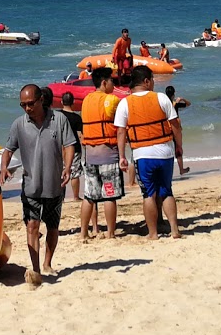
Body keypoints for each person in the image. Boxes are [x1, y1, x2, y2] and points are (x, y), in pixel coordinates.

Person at [0, 83, 76, 287]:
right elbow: (8, 149)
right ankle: (36, 269)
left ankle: (48, 262)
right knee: (32, 226)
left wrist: (67, 168)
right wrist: (4, 167)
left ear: (41, 99)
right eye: (22, 105)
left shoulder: (59, 120)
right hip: (31, 185)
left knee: (52, 227)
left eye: (30, 103)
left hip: (55, 185)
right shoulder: (19, 124)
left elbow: (69, 145)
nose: (27, 108)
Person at [114, 67, 188, 239]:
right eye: (153, 79)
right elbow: (175, 125)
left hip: (143, 154)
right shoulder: (161, 98)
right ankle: (174, 230)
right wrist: (179, 146)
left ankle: (153, 233)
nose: (154, 83)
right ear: (146, 81)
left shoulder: (125, 103)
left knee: (148, 194)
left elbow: (120, 132)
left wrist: (122, 156)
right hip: (165, 152)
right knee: (167, 191)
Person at [78, 68, 125, 240]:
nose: (114, 84)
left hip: (89, 155)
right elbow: (120, 123)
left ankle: (83, 232)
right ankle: (110, 232)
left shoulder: (86, 100)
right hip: (107, 154)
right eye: (112, 81)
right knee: (109, 195)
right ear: (104, 83)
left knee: (89, 196)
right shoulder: (111, 100)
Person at [57, 92, 84, 201]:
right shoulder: (77, 118)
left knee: (60, 172)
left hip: (60, 147)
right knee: (75, 173)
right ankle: (76, 196)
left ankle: (61, 197)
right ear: (73, 103)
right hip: (75, 147)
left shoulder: (57, 116)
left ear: (61, 102)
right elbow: (81, 135)